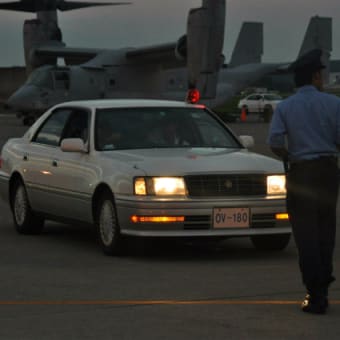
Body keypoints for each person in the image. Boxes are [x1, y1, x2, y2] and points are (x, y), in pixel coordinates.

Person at [268, 49, 340, 314]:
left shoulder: (285, 107)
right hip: (329, 171)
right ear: (316, 77)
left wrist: (291, 155)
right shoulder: (334, 104)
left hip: (302, 172)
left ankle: (315, 292)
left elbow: (275, 142)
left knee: (305, 234)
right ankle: (324, 283)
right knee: (326, 230)